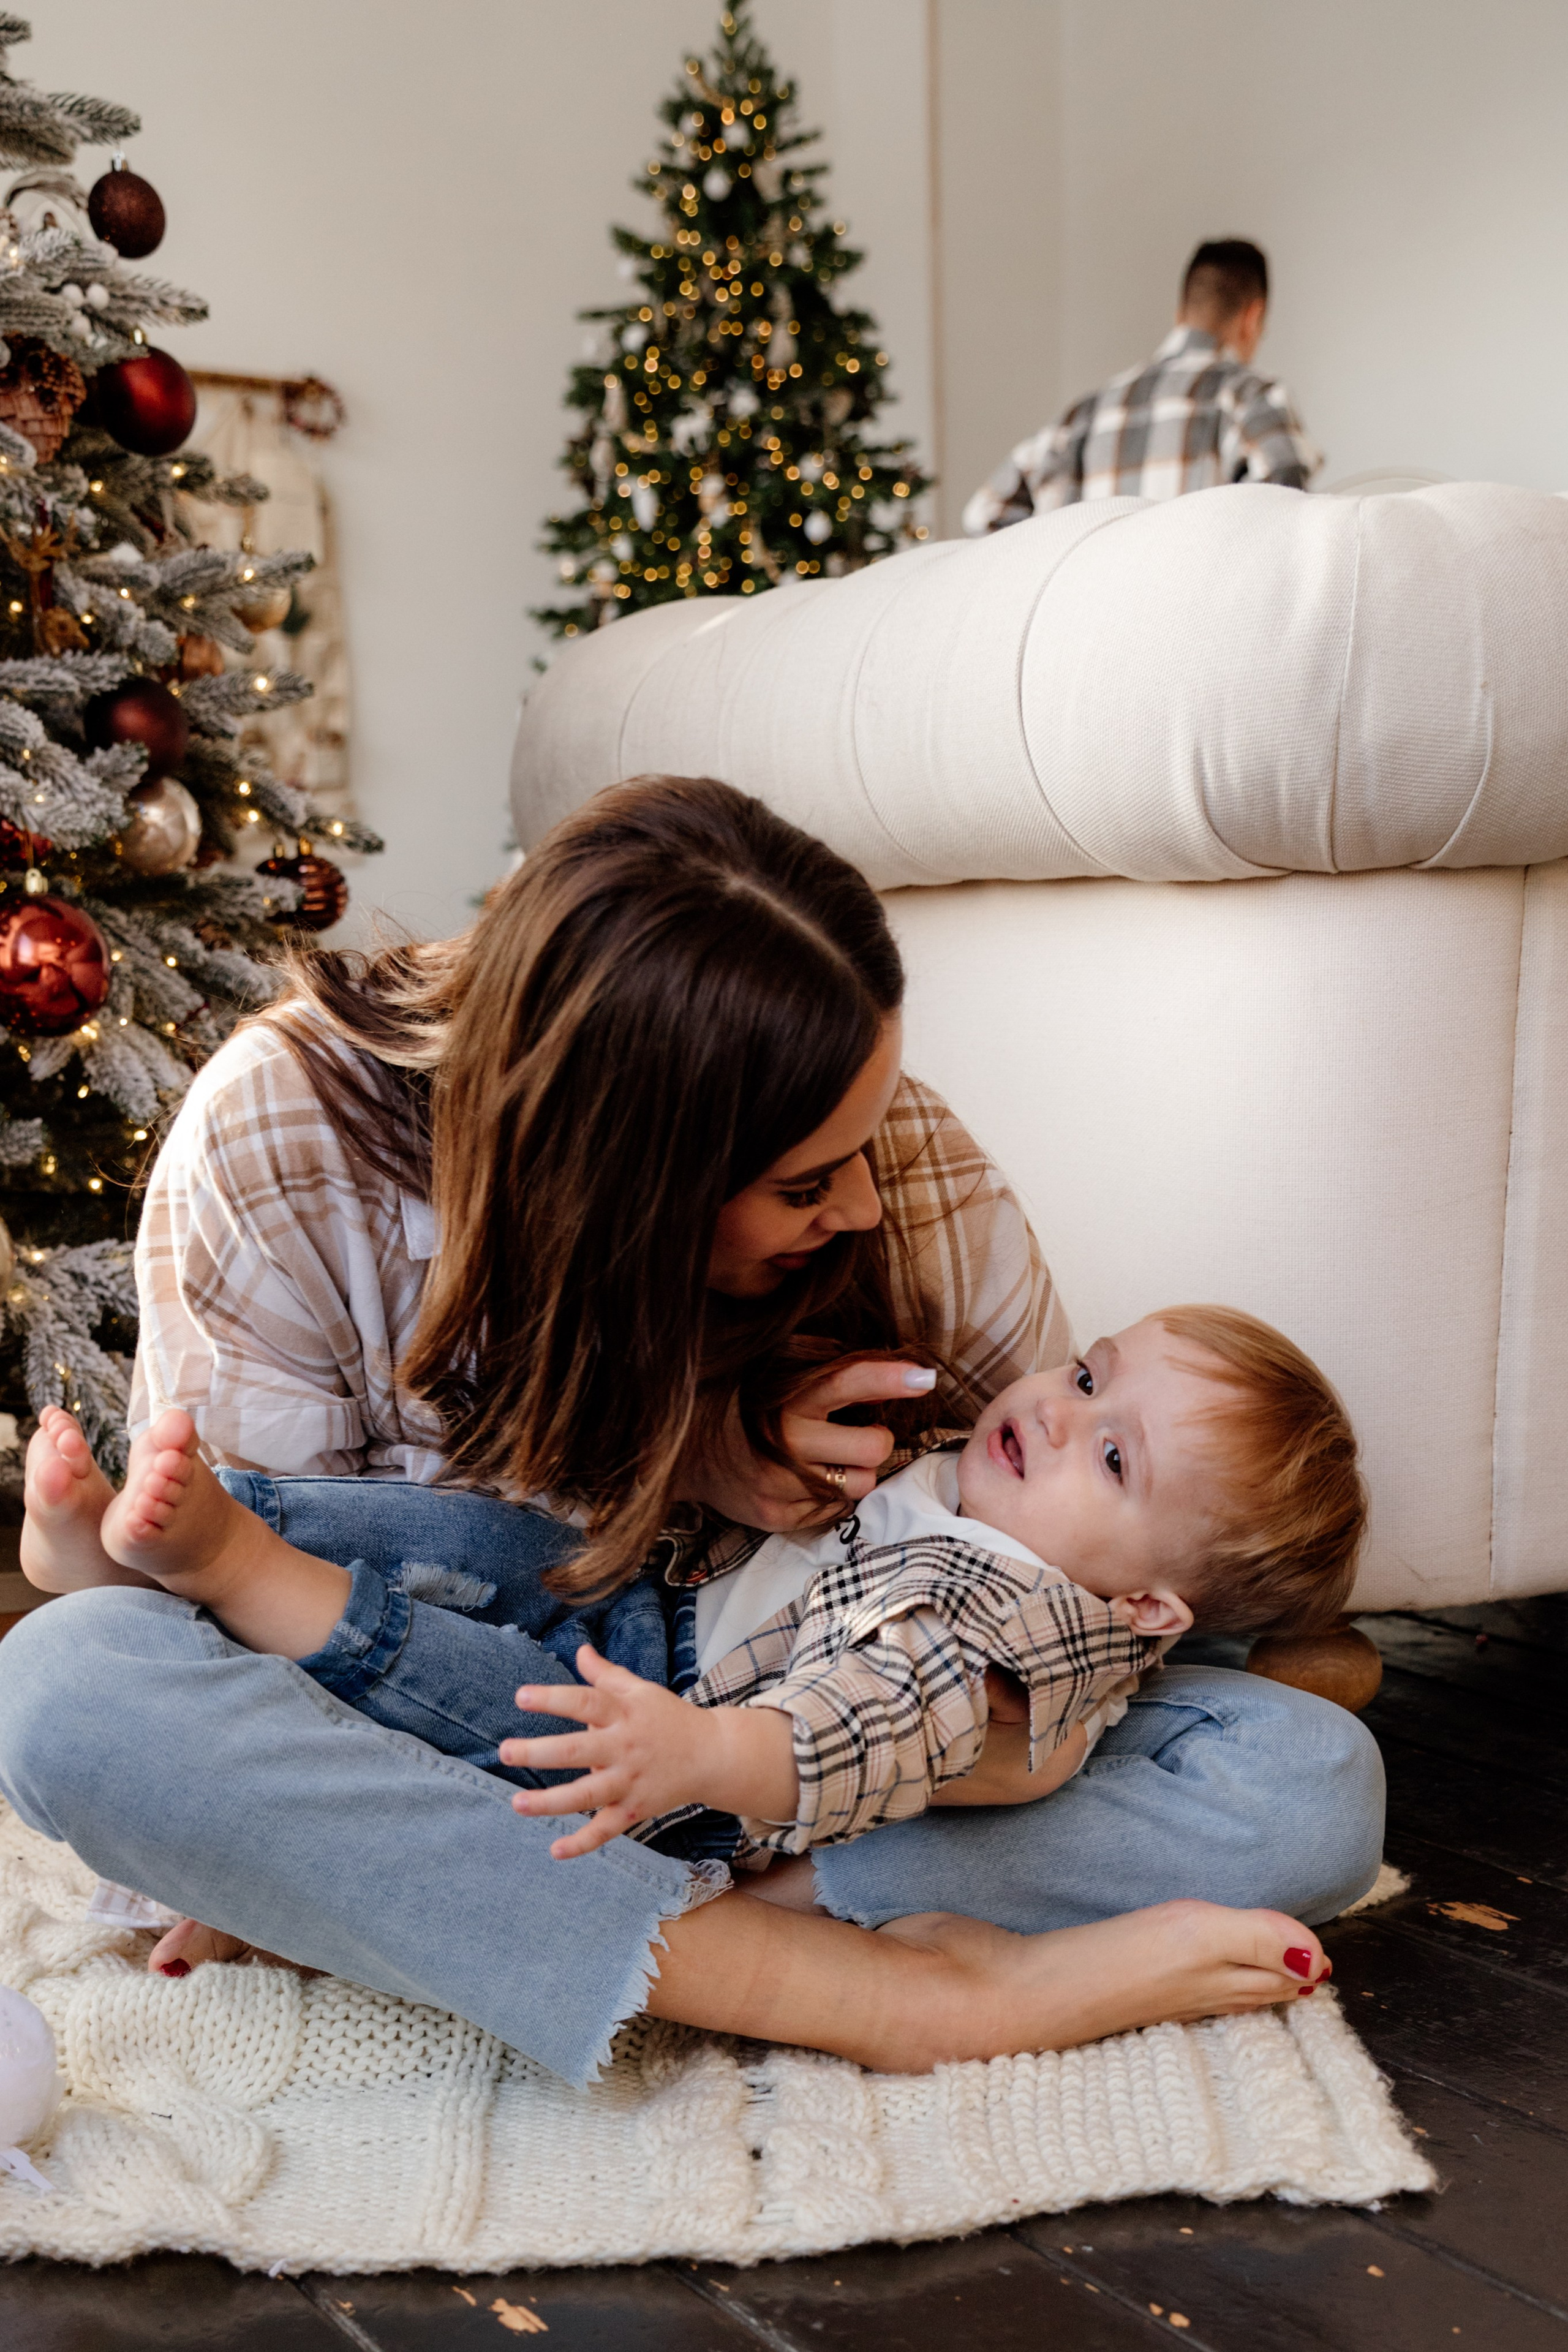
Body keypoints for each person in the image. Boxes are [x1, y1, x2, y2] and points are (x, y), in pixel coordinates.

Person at [0, 777, 1378, 2087]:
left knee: (1306, 1782)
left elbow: (1078, 1556)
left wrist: (1017, 1731)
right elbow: (279, 1627)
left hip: (792, 1755)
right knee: (70, 1687)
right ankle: (909, 1996)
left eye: (868, 1132)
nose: (864, 1208)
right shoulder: (282, 1144)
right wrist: (686, 1459)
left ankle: (500, 1925)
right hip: (511, 1718)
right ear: (624, 1187)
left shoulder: (869, 1132)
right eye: (801, 1184)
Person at [23, 1302, 1364, 1882]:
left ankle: (225, 1561)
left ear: (1145, 1615)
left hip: (678, 1770)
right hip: (653, 1609)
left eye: (1115, 1456)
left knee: (479, 1693)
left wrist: (701, 1753)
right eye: (1085, 1375)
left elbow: (869, 1728)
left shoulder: (1011, 1644)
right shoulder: (980, 1485)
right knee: (467, 1535)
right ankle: (172, 1534)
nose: (1062, 1418)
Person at [963, 238, 1322, 531]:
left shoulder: (1085, 414)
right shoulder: (1249, 397)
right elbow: (1289, 510)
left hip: (1093, 615)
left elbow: (985, 511)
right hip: (1199, 614)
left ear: (1180, 315)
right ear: (1253, 318)